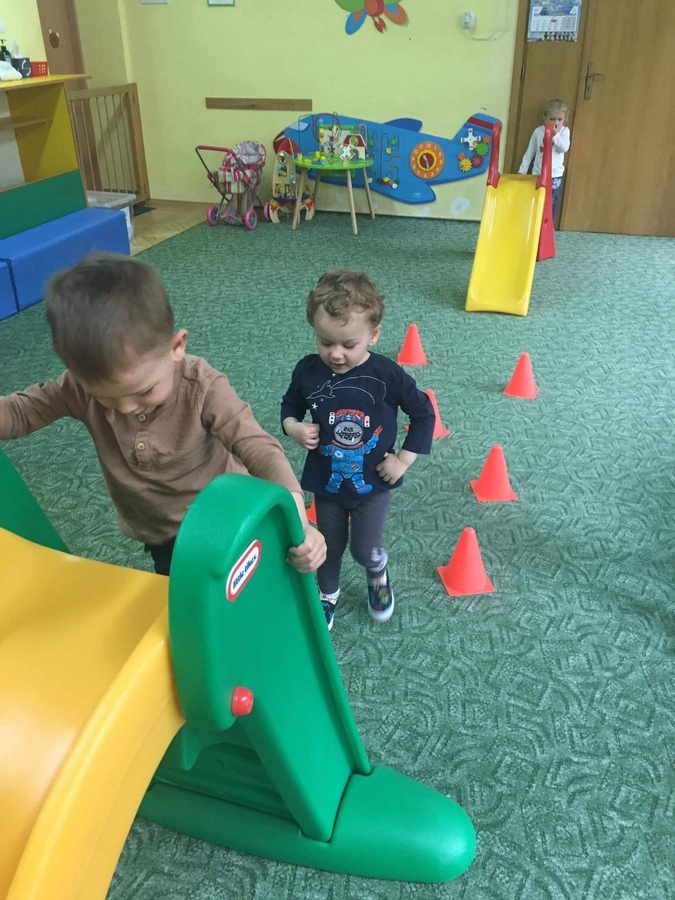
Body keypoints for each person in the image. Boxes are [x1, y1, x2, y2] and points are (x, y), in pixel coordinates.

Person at [0, 255, 326, 576]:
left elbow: (257, 446)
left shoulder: (202, 387)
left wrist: (295, 511)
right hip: (165, 539)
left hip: (230, 520)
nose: (125, 408)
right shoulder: (79, 388)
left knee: (255, 584)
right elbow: (19, 411)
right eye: (105, 397)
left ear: (176, 346)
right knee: (182, 600)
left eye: (143, 391)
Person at [281, 270, 435, 630]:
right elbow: (290, 405)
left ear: (373, 335)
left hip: (373, 485)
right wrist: (293, 427)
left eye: (349, 345)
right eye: (325, 342)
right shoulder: (308, 371)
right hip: (326, 482)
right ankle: (327, 595)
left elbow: (424, 414)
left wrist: (403, 460)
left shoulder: (387, 375)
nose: (335, 354)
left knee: (364, 549)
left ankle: (377, 571)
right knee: (328, 547)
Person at [518, 98, 571, 222]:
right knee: (536, 198)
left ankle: (548, 224)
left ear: (564, 119)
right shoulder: (538, 131)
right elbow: (530, 151)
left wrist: (555, 135)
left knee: (551, 201)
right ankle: (535, 222)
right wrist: (523, 169)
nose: (556, 123)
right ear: (545, 118)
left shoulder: (564, 131)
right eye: (552, 119)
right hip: (538, 173)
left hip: (555, 175)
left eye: (559, 119)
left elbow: (564, 148)